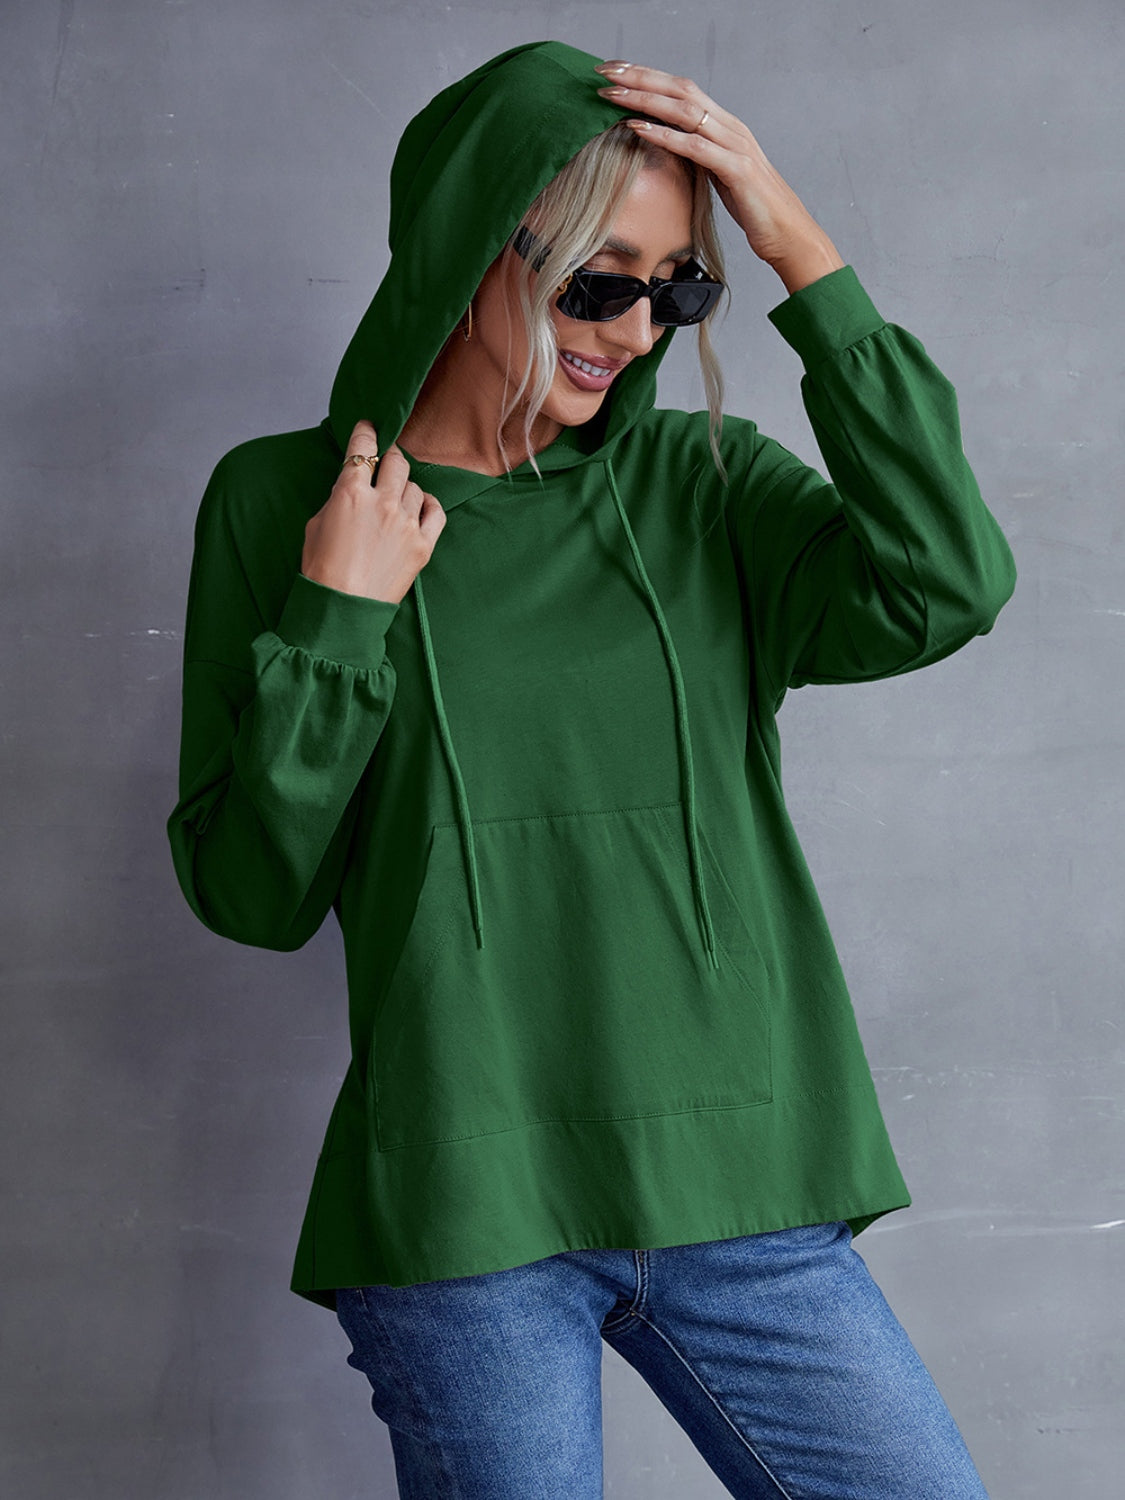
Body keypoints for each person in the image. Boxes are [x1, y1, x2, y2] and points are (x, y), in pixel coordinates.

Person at [166, 38, 1015, 1500]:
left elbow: (947, 580)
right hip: (465, 1211)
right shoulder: (284, 505)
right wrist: (338, 617)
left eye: (675, 289)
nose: (632, 330)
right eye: (594, 281)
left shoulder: (702, 484)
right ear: (467, 249)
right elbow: (253, 895)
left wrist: (796, 248)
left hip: (742, 1180)